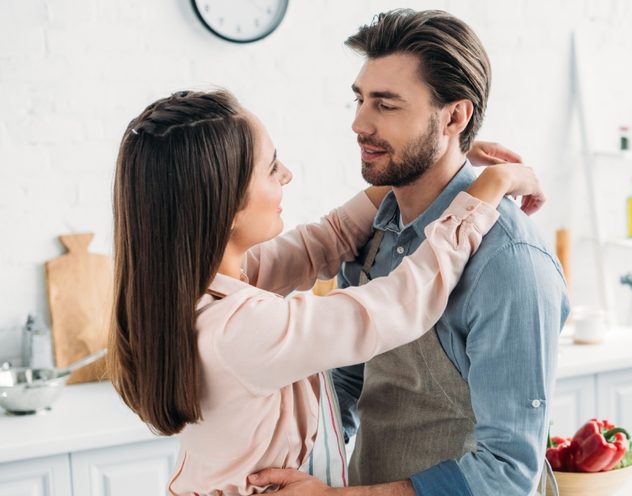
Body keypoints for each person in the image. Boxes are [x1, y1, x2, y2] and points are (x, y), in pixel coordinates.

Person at [106, 89, 545, 495]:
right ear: (226, 204)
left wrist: (434, 159)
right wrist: (489, 188)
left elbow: (326, 239)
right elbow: (401, 302)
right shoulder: (242, 329)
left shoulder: (194, 288)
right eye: (271, 167)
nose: (287, 175)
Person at [250, 9, 570, 496]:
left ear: (454, 116)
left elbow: (507, 475)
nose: (359, 122)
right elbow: (348, 382)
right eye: (359, 99)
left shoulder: (510, 261)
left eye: (387, 104)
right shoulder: (375, 230)